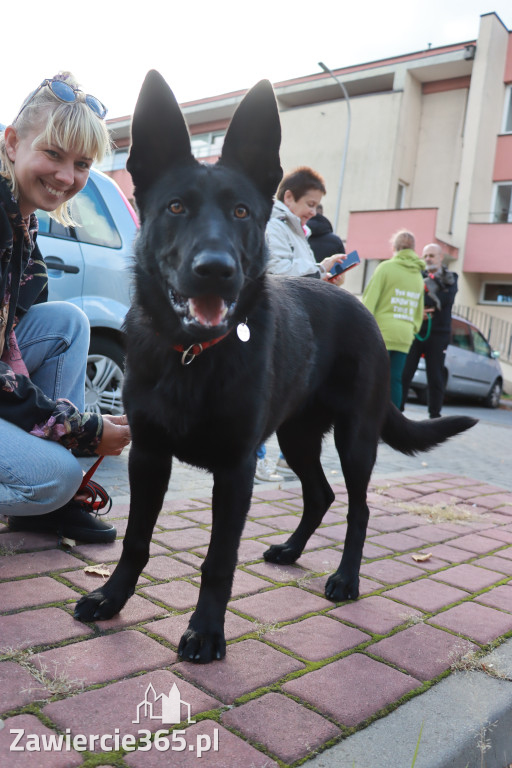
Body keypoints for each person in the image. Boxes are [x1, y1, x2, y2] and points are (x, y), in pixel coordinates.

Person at [0, 72, 131, 542]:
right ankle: (51, 498)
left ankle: (53, 510)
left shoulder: (21, 221)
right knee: (52, 477)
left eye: (81, 163)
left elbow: (11, 348)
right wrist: (83, 430)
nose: (66, 176)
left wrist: (74, 426)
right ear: (13, 142)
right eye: (53, 154)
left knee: (68, 323)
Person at [255, 167, 346, 481]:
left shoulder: (293, 228)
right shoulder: (274, 224)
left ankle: (284, 459)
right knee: (265, 393)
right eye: (310, 204)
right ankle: (253, 459)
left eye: (318, 206)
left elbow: (299, 271)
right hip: (272, 322)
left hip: (287, 323)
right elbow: (277, 270)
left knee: (287, 393)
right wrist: (320, 273)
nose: (314, 212)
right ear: (289, 196)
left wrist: (324, 270)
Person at [361, 230, 424, 409]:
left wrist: (363, 328)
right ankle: (392, 422)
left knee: (375, 378)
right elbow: (419, 312)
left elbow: (369, 301)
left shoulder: (386, 268)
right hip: (404, 335)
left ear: (395, 247)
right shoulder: (418, 275)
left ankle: (369, 420)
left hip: (382, 332)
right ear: (413, 249)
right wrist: (412, 330)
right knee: (395, 379)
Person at [401, 243, 458, 418]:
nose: (428, 259)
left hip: (438, 335)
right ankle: (397, 412)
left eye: (432, 255)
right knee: (404, 374)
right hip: (416, 332)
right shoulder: (417, 275)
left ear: (441, 258)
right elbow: (410, 295)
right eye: (425, 255)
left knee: (435, 377)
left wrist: (425, 300)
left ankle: (435, 416)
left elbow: (445, 298)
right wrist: (420, 310)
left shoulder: (451, 277)